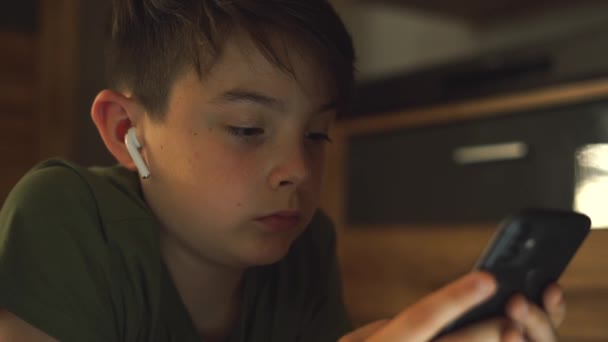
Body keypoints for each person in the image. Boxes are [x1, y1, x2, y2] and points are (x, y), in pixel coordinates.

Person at [0, 0, 565, 341]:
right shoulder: (65, 216)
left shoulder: (306, 247)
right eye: (247, 129)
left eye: (317, 134)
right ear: (126, 129)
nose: (297, 169)